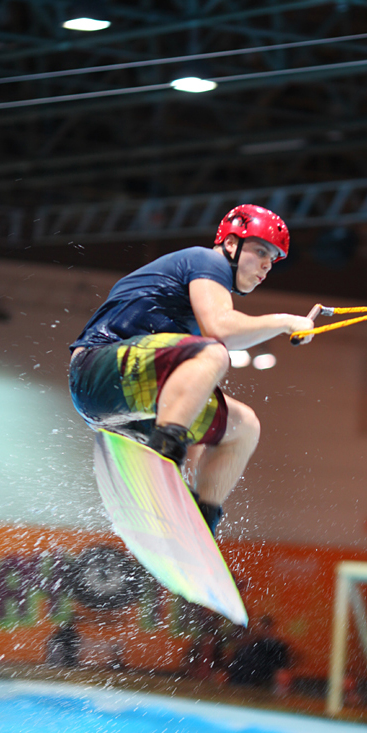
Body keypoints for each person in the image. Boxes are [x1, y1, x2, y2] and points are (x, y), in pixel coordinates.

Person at [68, 205, 314, 535]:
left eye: (274, 259)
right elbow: (221, 329)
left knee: (244, 427)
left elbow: (190, 403)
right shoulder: (206, 260)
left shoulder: (195, 311)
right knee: (214, 352)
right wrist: (285, 321)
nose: (268, 264)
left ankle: (203, 523)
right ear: (230, 244)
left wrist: (188, 489)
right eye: (260, 251)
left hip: (131, 399)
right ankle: (165, 451)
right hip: (96, 371)